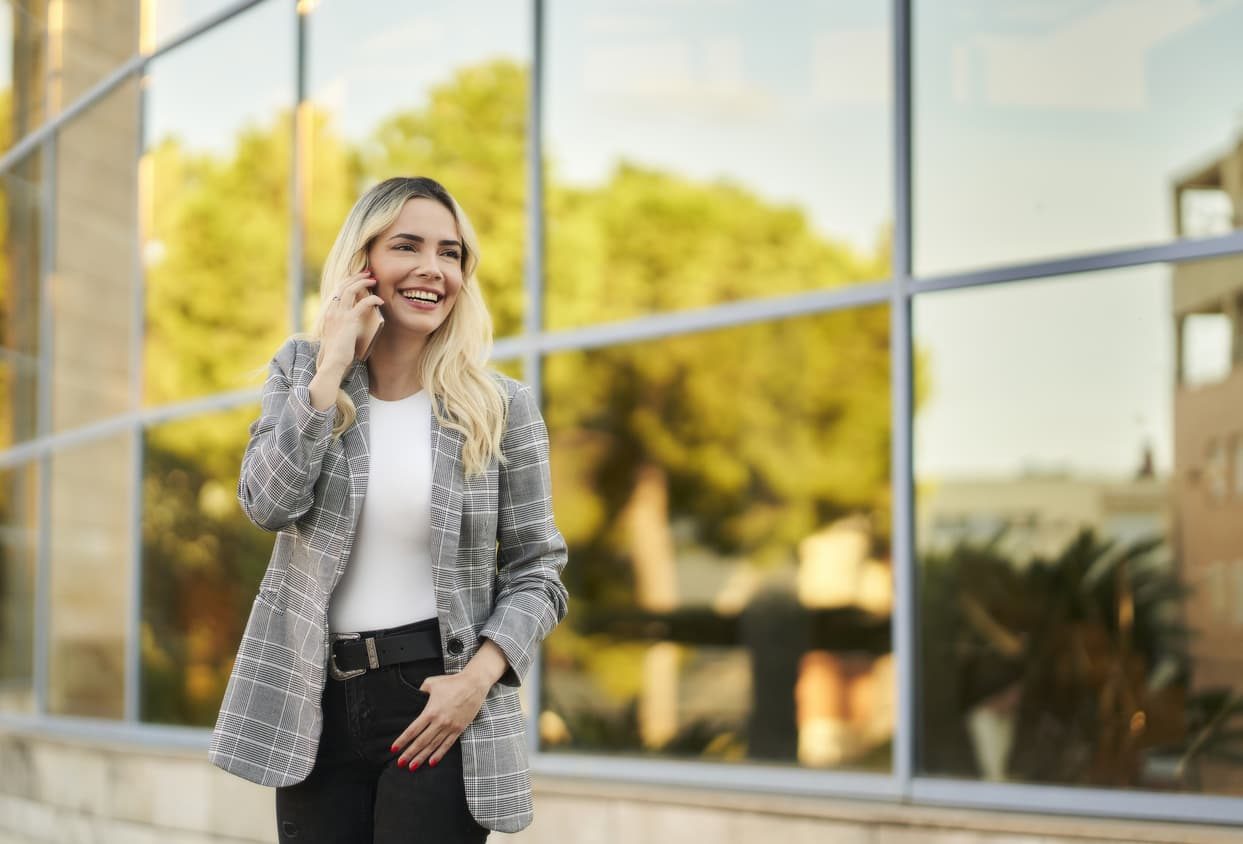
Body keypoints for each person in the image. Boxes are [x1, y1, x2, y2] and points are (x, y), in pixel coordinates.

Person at [207, 176, 569, 842]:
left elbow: (538, 571)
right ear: (363, 264)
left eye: (450, 253)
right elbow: (266, 502)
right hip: (315, 702)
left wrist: (476, 680)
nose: (433, 269)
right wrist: (330, 367)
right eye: (408, 246)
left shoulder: (499, 406)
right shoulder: (301, 373)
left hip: (437, 698)